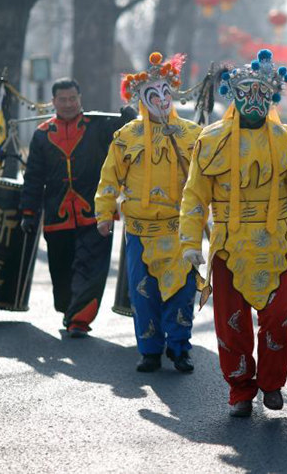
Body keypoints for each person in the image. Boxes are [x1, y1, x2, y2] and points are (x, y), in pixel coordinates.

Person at [179, 49, 287, 418]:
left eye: (261, 93)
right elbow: (195, 194)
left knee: (283, 312)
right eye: (246, 93)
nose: (253, 101)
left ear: (271, 97)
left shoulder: (283, 136)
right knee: (232, 322)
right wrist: (190, 242)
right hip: (229, 244)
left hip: (277, 240)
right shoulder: (210, 140)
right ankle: (241, 389)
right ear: (234, 95)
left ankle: (272, 384)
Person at [95, 52, 202, 373]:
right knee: (144, 294)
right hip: (140, 231)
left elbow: (209, 179)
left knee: (182, 292)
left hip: (180, 229)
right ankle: (150, 350)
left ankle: (180, 348)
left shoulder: (192, 135)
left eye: (166, 93)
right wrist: (104, 211)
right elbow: (109, 176)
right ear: (141, 98)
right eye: (153, 94)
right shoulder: (127, 136)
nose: (161, 100)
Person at [19, 78, 136, 337]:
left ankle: (79, 320)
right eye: (63, 100)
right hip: (56, 217)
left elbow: (124, 133)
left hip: (96, 215)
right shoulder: (41, 135)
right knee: (61, 271)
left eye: (73, 99)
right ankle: (69, 310)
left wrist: (129, 117)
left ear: (80, 98)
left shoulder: (97, 126)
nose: (69, 104)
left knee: (93, 269)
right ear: (54, 102)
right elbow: (34, 177)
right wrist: (29, 212)